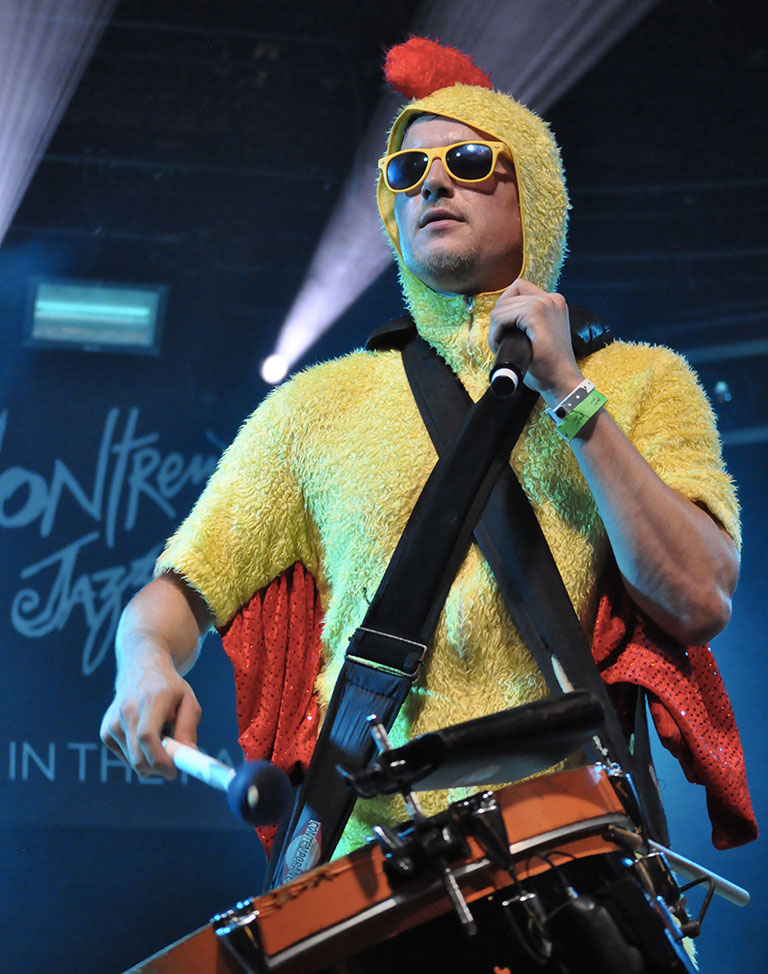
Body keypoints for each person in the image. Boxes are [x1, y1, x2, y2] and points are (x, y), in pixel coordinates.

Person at [101, 37, 752, 861]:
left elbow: (698, 600)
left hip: (569, 845)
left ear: (535, 194)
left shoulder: (641, 381)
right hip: (370, 863)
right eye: (408, 172)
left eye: (470, 161)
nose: (433, 184)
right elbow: (179, 593)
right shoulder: (313, 406)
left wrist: (569, 391)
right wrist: (143, 664)